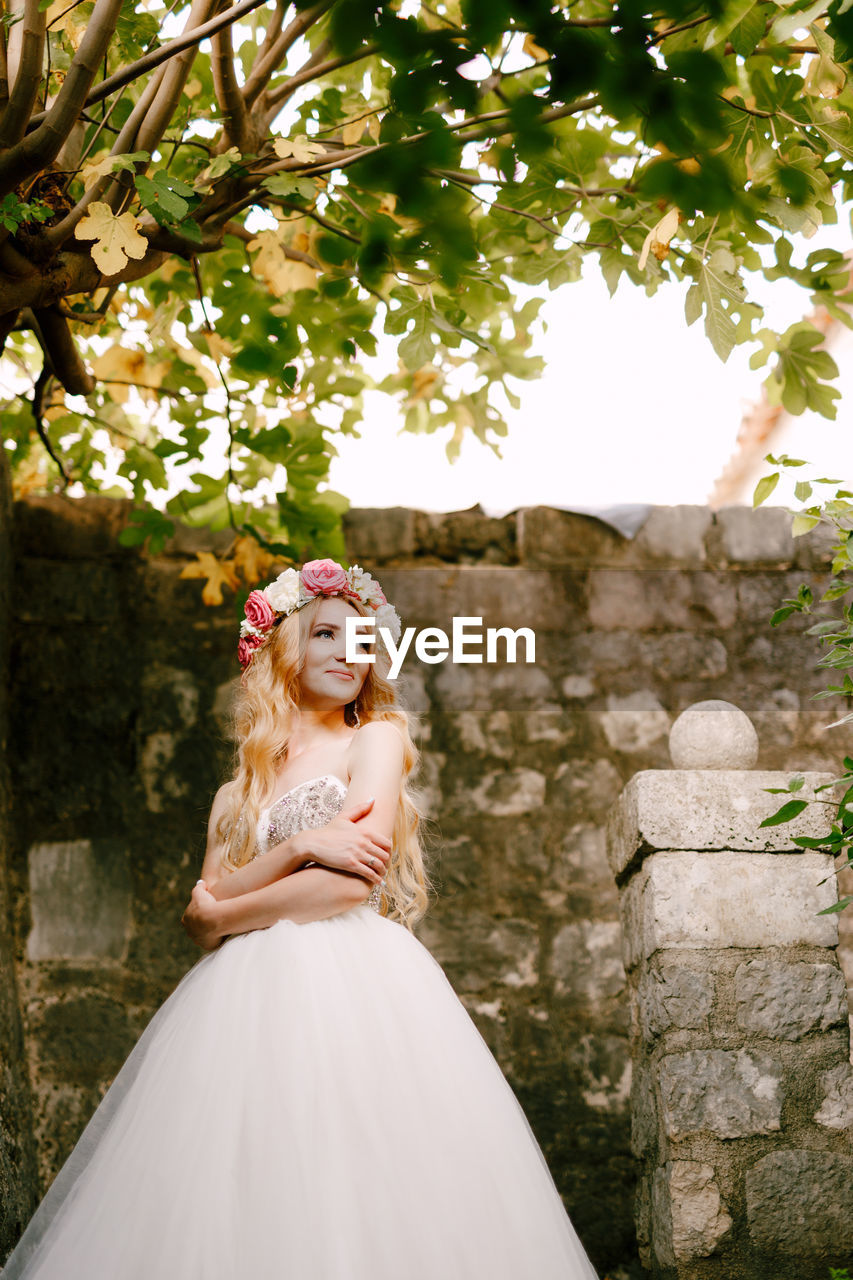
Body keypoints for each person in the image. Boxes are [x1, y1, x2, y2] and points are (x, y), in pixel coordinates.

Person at [2, 559, 599, 1280]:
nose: (351, 652)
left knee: (355, 1171)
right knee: (239, 1179)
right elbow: (200, 929)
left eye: (363, 638)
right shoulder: (235, 794)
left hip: (355, 988)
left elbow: (344, 888)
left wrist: (229, 904)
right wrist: (302, 848)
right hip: (237, 1006)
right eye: (325, 634)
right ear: (282, 652)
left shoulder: (375, 739)